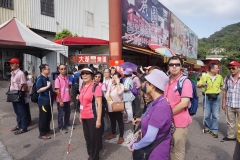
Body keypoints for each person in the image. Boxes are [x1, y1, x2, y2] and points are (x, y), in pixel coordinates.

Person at [128, 69, 172, 160]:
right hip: (152, 149)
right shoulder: (157, 102)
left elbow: (149, 138)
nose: (144, 84)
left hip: (156, 153)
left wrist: (135, 146)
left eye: (147, 82)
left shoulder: (160, 107)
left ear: (152, 86)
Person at [164, 56, 193, 160]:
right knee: (168, 147)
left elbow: (184, 103)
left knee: (177, 150)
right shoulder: (167, 81)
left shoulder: (185, 82)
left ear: (181, 67)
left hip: (179, 122)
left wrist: (168, 114)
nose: (174, 67)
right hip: (167, 122)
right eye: (171, 64)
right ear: (168, 66)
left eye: (177, 64)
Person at [77, 68, 102, 160]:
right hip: (84, 116)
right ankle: (90, 155)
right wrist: (80, 114)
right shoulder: (83, 86)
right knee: (87, 138)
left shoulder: (96, 87)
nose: (84, 75)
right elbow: (82, 102)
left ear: (92, 75)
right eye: (83, 74)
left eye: (87, 73)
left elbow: (99, 104)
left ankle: (95, 158)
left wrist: (98, 119)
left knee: (94, 139)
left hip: (92, 117)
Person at [197, 63, 223, 138]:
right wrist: (202, 84)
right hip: (207, 96)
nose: (218, 69)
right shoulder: (204, 76)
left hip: (216, 97)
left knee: (216, 115)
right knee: (207, 114)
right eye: (216, 68)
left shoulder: (220, 77)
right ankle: (207, 127)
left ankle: (214, 130)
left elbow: (221, 86)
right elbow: (198, 85)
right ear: (212, 69)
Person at [8, 58, 28, 135]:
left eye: (13, 63)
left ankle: (23, 127)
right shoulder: (12, 73)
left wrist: (25, 93)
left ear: (17, 64)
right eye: (11, 63)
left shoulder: (20, 73)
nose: (11, 65)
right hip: (13, 93)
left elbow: (25, 85)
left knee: (21, 111)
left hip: (19, 93)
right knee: (16, 111)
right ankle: (19, 125)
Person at [222, 61, 240, 141]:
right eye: (230, 68)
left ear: (239, 68)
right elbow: (225, 91)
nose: (231, 70)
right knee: (230, 122)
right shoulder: (227, 78)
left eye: (233, 68)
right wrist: (223, 103)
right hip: (229, 104)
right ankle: (231, 136)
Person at [105, 72, 125, 144]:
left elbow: (119, 92)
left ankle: (121, 136)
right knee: (112, 121)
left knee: (120, 122)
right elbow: (107, 95)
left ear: (119, 78)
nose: (113, 79)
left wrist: (118, 83)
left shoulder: (121, 85)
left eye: (115, 78)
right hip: (110, 106)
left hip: (117, 107)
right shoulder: (110, 85)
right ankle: (113, 133)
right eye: (113, 77)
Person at [36, 64, 54, 139]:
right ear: (43, 70)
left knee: (48, 116)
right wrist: (47, 86)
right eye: (48, 69)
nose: (49, 70)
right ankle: (42, 133)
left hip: (49, 100)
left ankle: (47, 129)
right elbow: (38, 90)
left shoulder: (47, 78)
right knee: (43, 117)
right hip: (43, 101)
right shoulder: (40, 79)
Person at [55, 64, 72, 134]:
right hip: (61, 100)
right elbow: (57, 91)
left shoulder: (67, 77)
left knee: (68, 113)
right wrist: (61, 101)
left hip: (67, 99)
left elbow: (68, 88)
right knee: (61, 114)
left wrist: (70, 96)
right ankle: (61, 127)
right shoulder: (57, 79)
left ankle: (67, 124)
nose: (63, 70)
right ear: (59, 70)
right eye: (61, 69)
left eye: (64, 68)